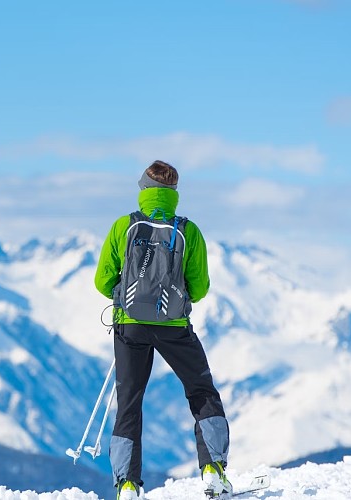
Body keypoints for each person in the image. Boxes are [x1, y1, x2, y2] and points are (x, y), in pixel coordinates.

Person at [94, 160, 231, 500]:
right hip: (174, 326)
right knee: (201, 391)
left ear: (143, 190)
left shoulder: (122, 227)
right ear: (174, 193)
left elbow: (102, 281)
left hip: (130, 327)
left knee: (129, 402)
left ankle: (127, 484)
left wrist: (124, 295)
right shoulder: (189, 230)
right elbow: (199, 289)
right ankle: (213, 468)